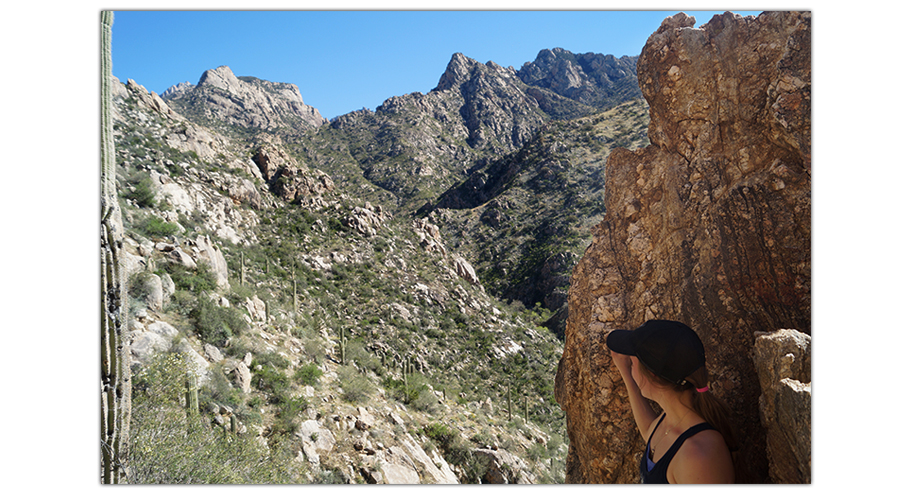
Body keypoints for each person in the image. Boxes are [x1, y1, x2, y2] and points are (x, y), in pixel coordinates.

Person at [606, 319, 740, 484]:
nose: (631, 365)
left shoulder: (697, 458)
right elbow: (649, 431)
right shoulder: (670, 420)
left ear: (652, 375)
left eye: (634, 362)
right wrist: (626, 372)